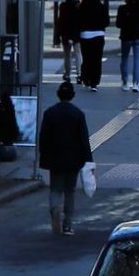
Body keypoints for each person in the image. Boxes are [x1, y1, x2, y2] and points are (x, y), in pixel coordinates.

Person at [37, 80, 95, 237]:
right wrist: (88, 160)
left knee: (55, 188)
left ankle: (55, 209)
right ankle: (68, 225)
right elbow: (84, 140)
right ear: (73, 96)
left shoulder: (49, 113)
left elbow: (43, 137)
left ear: (58, 95)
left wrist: (43, 155)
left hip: (55, 158)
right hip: (73, 159)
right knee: (70, 191)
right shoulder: (78, 114)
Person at [115, 0, 139, 91]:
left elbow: (118, 24)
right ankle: (135, 84)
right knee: (137, 61)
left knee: (124, 59)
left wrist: (125, 23)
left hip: (126, 37)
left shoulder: (122, 9)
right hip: (138, 36)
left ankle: (125, 82)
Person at [76, 0, 106, 89]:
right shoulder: (101, 7)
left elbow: (78, 21)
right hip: (98, 34)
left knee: (87, 58)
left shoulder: (82, 7)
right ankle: (95, 82)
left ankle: (86, 79)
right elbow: (106, 21)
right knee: (97, 60)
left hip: (85, 35)